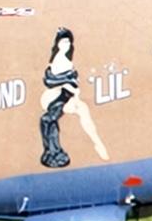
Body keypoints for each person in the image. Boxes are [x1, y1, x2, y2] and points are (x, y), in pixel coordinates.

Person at [38, 28, 109, 167]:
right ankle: (55, 151)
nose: (66, 45)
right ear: (58, 44)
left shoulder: (66, 60)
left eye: (68, 42)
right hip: (54, 98)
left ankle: (98, 143)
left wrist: (73, 89)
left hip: (65, 95)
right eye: (63, 42)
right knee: (78, 110)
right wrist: (70, 86)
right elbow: (51, 81)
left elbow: (71, 82)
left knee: (83, 109)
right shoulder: (57, 61)